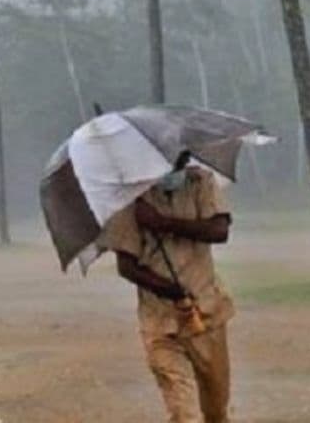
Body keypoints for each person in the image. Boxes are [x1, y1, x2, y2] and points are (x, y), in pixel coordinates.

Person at [99, 151, 235, 423]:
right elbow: (126, 266)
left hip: (206, 313)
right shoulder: (130, 200)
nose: (177, 168)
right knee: (183, 412)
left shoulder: (201, 182)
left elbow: (219, 230)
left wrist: (162, 223)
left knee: (216, 410)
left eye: (182, 162)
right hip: (159, 321)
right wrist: (168, 289)